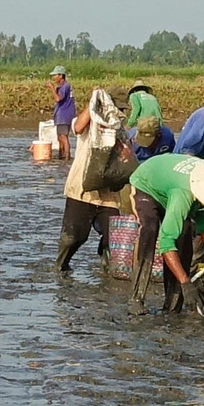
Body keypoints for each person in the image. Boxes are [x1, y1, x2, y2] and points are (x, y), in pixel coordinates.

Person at [127, 152, 204, 312]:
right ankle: (136, 298)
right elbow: (166, 242)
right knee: (150, 229)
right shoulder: (183, 194)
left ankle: (172, 305)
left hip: (172, 185)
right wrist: (186, 282)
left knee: (184, 232)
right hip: (147, 183)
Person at [56, 90, 138, 271]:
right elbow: (76, 127)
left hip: (109, 194)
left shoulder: (120, 130)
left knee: (113, 236)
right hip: (82, 190)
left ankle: (108, 269)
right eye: (117, 108)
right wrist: (95, 100)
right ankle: (62, 265)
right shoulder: (91, 122)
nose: (120, 113)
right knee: (74, 237)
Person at [50, 67, 75, 161]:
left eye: (55, 75)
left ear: (61, 76)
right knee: (59, 137)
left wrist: (51, 88)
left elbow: (58, 99)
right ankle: (62, 156)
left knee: (63, 136)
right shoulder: (62, 87)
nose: (53, 77)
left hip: (64, 114)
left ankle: (67, 157)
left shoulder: (65, 86)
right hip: (61, 114)